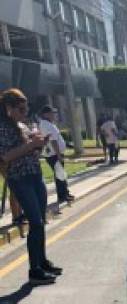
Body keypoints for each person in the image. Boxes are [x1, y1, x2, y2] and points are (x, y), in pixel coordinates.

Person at [0, 88, 61, 285]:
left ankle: (42, 262)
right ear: (8, 108)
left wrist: (39, 144)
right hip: (19, 178)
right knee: (34, 221)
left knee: (40, 220)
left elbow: (30, 152)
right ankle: (34, 269)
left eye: (26, 109)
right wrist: (30, 145)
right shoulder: (3, 128)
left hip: (35, 174)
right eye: (20, 109)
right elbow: (6, 156)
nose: (24, 113)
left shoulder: (22, 125)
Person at [37, 104, 74, 211]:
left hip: (54, 153)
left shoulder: (48, 123)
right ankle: (63, 195)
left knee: (60, 174)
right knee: (59, 174)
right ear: (46, 114)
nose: (54, 115)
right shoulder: (45, 124)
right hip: (53, 154)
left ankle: (65, 193)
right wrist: (59, 155)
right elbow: (53, 141)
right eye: (51, 113)